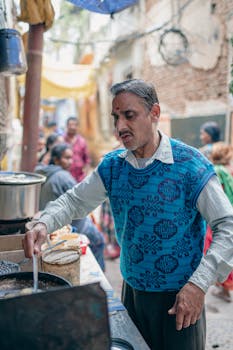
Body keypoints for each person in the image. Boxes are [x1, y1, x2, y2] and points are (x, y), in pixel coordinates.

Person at [23, 79, 233, 350]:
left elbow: (227, 224)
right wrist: (43, 222)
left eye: (129, 115)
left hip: (182, 300)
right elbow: (74, 201)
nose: (120, 126)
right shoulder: (113, 166)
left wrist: (199, 284)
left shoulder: (190, 165)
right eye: (116, 117)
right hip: (132, 293)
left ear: (154, 113)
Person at [35, 143, 105, 271]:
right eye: (66, 158)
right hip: (68, 224)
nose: (70, 161)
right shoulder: (63, 177)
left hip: (52, 218)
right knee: (99, 240)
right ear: (56, 159)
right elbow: (76, 202)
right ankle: (98, 279)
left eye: (71, 158)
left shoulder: (45, 171)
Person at [204, 142, 233, 302]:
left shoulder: (217, 171)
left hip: (220, 218)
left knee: (217, 248)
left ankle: (224, 287)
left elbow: (217, 198)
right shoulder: (228, 171)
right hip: (230, 214)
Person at [64, 116, 91, 182]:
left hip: (79, 178)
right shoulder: (62, 140)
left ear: (77, 127)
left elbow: (87, 160)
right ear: (67, 126)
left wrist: (85, 175)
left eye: (75, 125)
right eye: (70, 125)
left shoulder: (82, 141)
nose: (72, 127)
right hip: (65, 177)